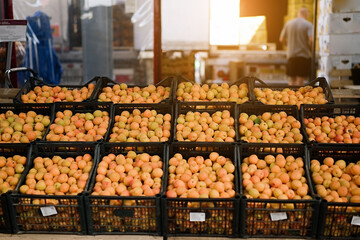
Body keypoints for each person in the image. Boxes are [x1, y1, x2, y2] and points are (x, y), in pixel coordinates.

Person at [280, 7, 313, 86]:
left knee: (292, 80)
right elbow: (311, 40)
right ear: (306, 14)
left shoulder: (288, 23)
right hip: (303, 56)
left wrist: (288, 45)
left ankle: (289, 96)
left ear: (299, 13)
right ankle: (297, 97)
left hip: (291, 56)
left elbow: (281, 39)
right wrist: (310, 49)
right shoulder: (308, 24)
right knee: (300, 81)